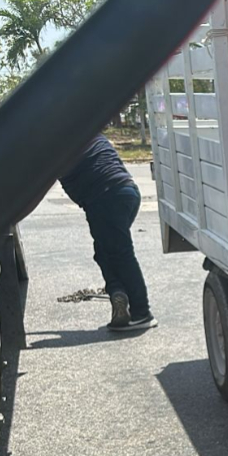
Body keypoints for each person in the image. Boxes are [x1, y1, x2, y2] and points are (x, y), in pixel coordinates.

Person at [59, 135, 156, 331]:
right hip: (129, 192)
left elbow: (35, 186)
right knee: (105, 249)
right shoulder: (89, 131)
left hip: (103, 198)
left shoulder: (55, 149)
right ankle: (119, 294)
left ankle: (141, 312)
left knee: (120, 253)